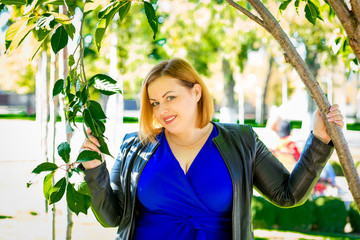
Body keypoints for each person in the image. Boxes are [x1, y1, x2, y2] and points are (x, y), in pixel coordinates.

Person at [79, 58, 344, 240]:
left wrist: (319, 140)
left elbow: (288, 194)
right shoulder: (135, 144)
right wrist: (94, 169)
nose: (163, 109)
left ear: (196, 92)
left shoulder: (241, 141)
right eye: (155, 102)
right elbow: (112, 216)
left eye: (171, 97)